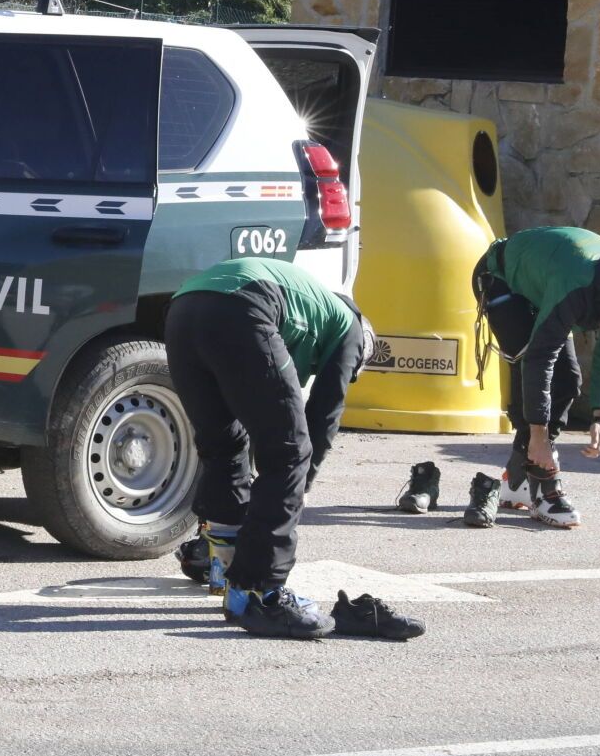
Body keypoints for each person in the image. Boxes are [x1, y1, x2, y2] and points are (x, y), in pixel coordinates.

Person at [166, 257, 416, 640]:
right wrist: (292, 491)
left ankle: (222, 561)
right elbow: (321, 423)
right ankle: (261, 591)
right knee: (288, 452)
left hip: (184, 307)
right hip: (244, 306)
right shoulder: (349, 332)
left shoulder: (309, 312)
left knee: (223, 443)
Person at [399, 226, 600, 528]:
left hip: (543, 285)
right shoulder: (577, 287)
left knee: (567, 382)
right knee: (538, 367)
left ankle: (517, 480)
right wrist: (539, 436)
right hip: (502, 280)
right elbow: (539, 360)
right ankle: (543, 486)